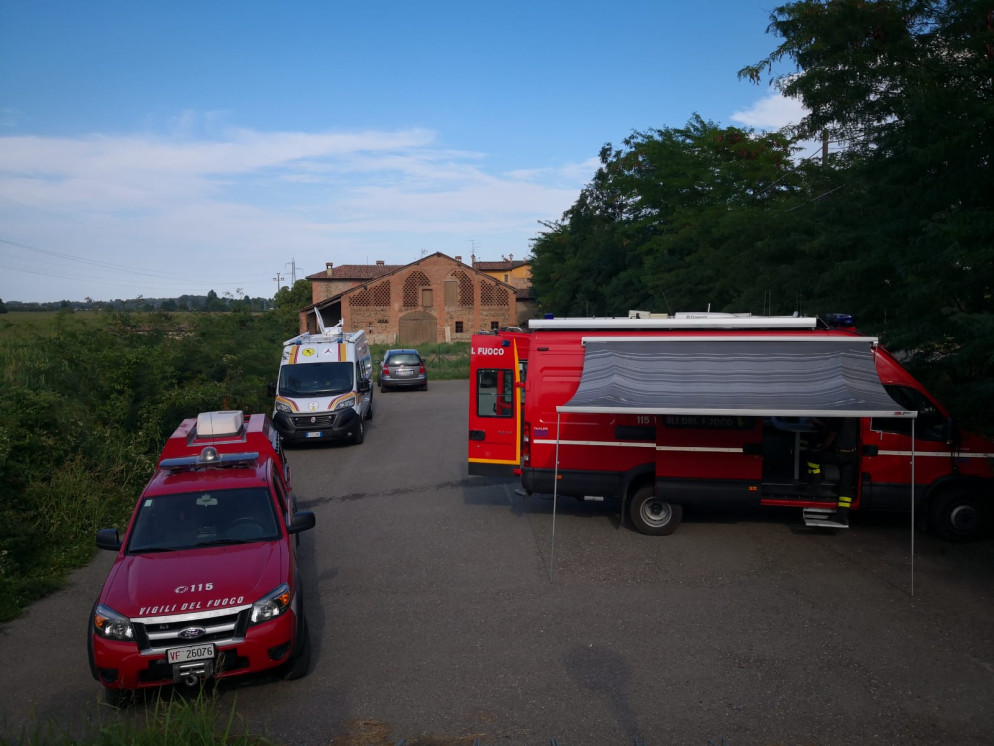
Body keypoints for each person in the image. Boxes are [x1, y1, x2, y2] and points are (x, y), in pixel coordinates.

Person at [806, 418, 859, 525]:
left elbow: (831, 436)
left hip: (839, 454)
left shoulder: (838, 417)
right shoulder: (854, 417)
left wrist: (821, 449)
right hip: (851, 455)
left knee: (813, 459)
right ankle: (842, 515)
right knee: (846, 488)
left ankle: (816, 485)